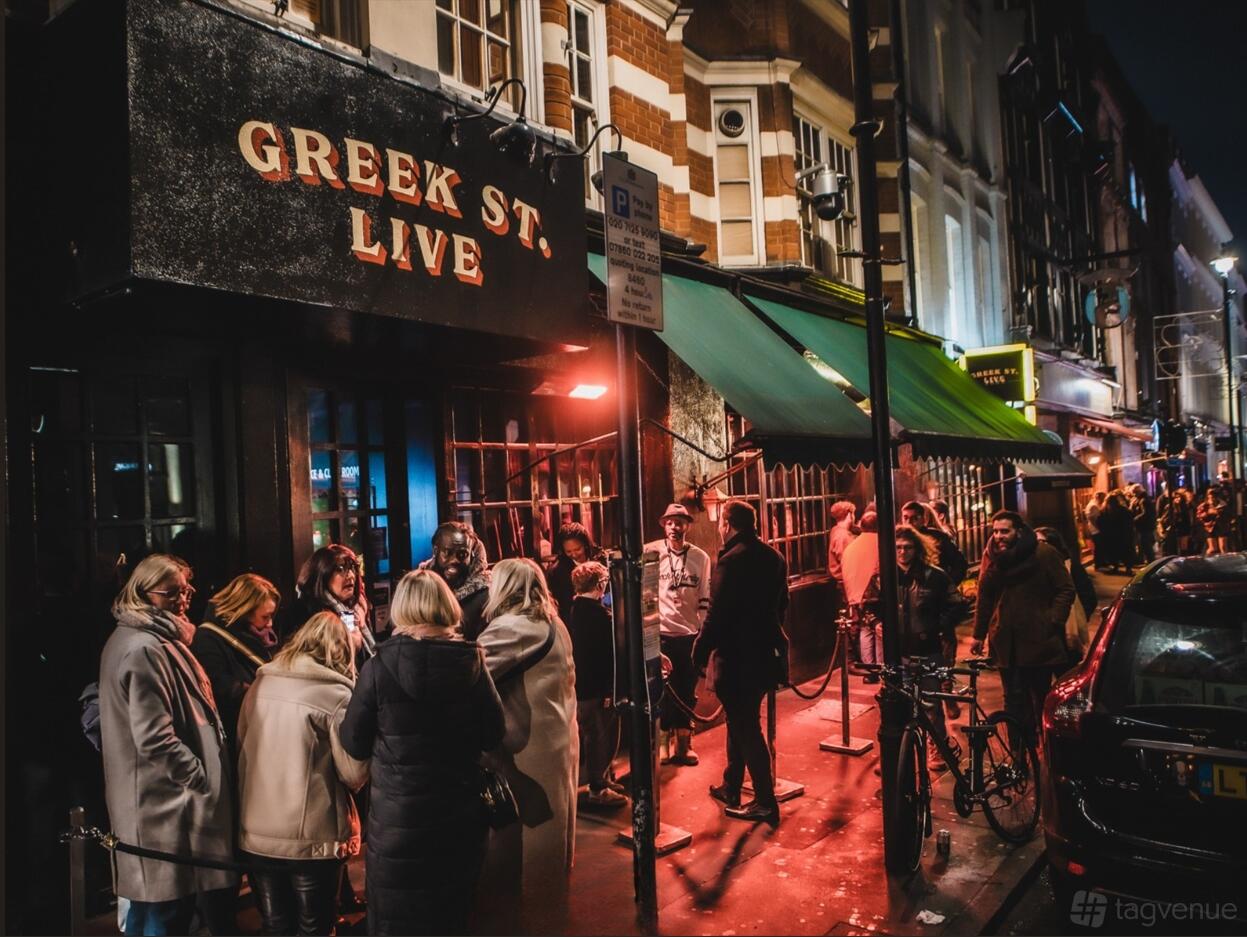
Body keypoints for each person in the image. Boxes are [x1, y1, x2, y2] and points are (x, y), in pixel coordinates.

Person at [339, 570, 505, 936]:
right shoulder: (472, 663)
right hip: (458, 813)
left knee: (396, 918)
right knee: (451, 913)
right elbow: (493, 734)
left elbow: (352, 740)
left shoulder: (379, 666)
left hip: (398, 819)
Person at [98, 554, 238, 936]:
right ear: (144, 593)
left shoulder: (153, 638)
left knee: (158, 913)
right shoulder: (144, 647)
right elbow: (154, 737)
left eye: (186, 588)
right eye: (171, 591)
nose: (183, 598)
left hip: (163, 805)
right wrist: (200, 778)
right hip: (163, 809)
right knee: (161, 914)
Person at [237, 611, 369, 936]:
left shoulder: (259, 684)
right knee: (315, 928)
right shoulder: (337, 696)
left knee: (275, 926)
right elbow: (353, 773)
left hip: (256, 832)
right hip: (312, 838)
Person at [475, 558, 579, 928]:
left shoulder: (511, 630)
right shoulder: (553, 623)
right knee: (552, 845)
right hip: (558, 742)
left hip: (525, 751)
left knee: (521, 856)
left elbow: (466, 674)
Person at [693, 499, 789, 827]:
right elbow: (782, 604)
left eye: (722, 523)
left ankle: (765, 800)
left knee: (746, 726)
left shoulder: (731, 561)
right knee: (740, 720)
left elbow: (716, 614)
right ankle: (731, 786)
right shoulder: (775, 557)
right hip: (765, 654)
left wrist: (699, 650)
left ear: (729, 525)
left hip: (737, 657)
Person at [971, 511, 1075, 744]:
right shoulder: (993, 556)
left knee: (1041, 696)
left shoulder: (1043, 553)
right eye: (996, 531)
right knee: (1013, 699)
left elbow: (1065, 588)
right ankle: (1019, 752)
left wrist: (1053, 620)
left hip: (1039, 640)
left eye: (1004, 531)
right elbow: (985, 596)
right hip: (1005, 641)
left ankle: (1046, 748)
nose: (998, 536)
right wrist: (978, 635)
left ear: (1018, 531)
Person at [879, 525, 961, 769]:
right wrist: (877, 623)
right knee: (895, 705)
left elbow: (956, 604)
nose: (903, 552)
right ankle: (897, 753)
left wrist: (938, 625)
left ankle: (938, 747)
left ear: (917, 549)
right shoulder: (885, 576)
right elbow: (870, 604)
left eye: (908, 547)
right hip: (897, 652)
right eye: (898, 547)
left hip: (928, 649)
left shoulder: (933, 576)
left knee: (931, 705)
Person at [646, 503, 711, 767]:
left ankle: (684, 745)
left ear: (687, 525)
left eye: (679, 522)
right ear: (664, 525)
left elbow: (705, 597)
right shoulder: (650, 553)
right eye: (670, 522)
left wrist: (703, 635)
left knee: (686, 691)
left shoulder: (700, 558)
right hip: (660, 633)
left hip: (689, 634)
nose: (674, 527)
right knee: (660, 691)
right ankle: (662, 744)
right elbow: (646, 596)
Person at [190, 573, 281, 760]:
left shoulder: (257, 636)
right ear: (245, 609)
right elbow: (219, 688)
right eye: (266, 616)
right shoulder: (208, 639)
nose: (270, 624)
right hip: (236, 737)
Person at [568, 561, 626, 807]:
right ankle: (598, 787)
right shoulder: (601, 616)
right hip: (596, 689)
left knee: (590, 734)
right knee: (600, 736)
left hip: (579, 687)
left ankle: (599, 778)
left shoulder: (572, 610)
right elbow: (606, 657)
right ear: (600, 584)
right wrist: (608, 690)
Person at [293, 545, 372, 658]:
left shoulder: (357, 609)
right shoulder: (306, 612)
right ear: (322, 573)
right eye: (340, 569)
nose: (351, 576)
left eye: (353, 568)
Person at [419, 521, 492, 641]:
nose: (455, 560)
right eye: (447, 553)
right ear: (436, 551)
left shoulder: (486, 596)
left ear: (471, 556)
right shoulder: (418, 588)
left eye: (462, 554)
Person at [1034, 527, 1096, 664]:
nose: (1037, 546)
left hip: (1067, 633)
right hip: (1044, 632)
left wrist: (1079, 617)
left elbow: (1088, 596)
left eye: (1041, 541)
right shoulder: (1034, 568)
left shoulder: (1071, 566)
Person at [841, 511, 881, 676]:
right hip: (874, 595)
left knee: (865, 631)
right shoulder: (881, 543)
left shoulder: (851, 546)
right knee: (879, 632)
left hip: (855, 596)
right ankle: (881, 669)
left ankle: (868, 669)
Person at [547, 522, 607, 625]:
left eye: (578, 549)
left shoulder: (601, 559)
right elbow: (562, 605)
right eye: (568, 551)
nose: (574, 554)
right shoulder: (558, 572)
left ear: (585, 544)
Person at [1196, 487, 1230, 555]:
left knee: (1223, 547)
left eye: (1213, 496)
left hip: (1221, 526)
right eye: (1210, 496)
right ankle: (1207, 561)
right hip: (1209, 527)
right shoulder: (1204, 505)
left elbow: (1226, 515)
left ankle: (1225, 561)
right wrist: (1208, 513)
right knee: (1212, 548)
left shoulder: (1222, 504)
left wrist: (1218, 512)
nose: (1212, 498)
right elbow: (1199, 516)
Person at [1130, 484, 1158, 563]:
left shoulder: (1144, 500)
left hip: (1145, 527)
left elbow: (1146, 513)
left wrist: (1135, 519)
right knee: (1144, 545)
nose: (1134, 495)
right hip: (1145, 526)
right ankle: (1148, 561)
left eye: (1135, 493)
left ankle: (1151, 562)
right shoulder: (1142, 499)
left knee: (1146, 545)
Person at [1086, 490, 1107, 568]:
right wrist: (1099, 528)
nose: (1103, 500)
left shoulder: (1093, 504)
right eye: (1103, 498)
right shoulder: (1093, 506)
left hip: (1094, 529)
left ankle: (1101, 562)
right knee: (1098, 546)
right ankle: (1098, 563)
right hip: (1096, 529)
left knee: (1099, 546)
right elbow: (1092, 518)